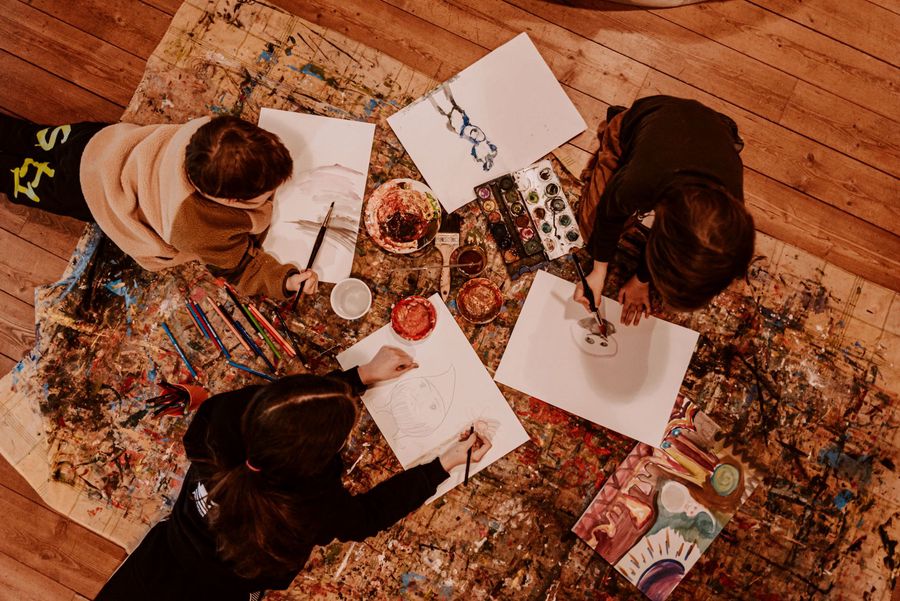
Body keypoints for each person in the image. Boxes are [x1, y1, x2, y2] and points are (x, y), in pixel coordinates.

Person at [95, 345, 492, 601]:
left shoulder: (220, 418)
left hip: (160, 561)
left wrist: (360, 376)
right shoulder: (311, 506)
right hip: (227, 591)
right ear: (315, 462)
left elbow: (289, 409)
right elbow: (366, 517)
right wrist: (443, 465)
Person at [0, 113, 317, 299]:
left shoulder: (210, 134)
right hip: (85, 191)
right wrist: (285, 281)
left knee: (30, 137)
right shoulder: (196, 226)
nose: (275, 194)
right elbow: (239, 267)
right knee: (16, 176)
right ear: (229, 202)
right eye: (267, 194)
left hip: (97, 142)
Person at [573, 95, 755, 326]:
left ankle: (711, 124)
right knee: (591, 229)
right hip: (644, 120)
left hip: (705, 133)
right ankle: (619, 122)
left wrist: (641, 280)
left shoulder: (731, 216)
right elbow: (610, 212)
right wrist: (599, 271)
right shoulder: (642, 181)